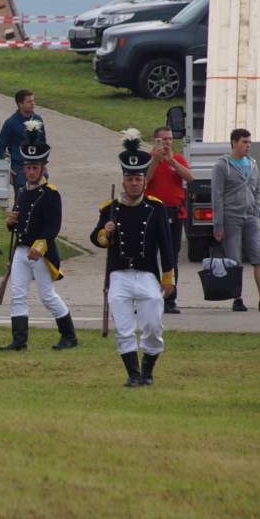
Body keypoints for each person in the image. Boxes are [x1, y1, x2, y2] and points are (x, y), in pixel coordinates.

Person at [90, 130, 174, 387]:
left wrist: (168, 277)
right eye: (130, 178)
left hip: (148, 274)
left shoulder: (156, 207)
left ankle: (148, 369)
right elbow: (96, 238)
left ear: (144, 181)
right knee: (124, 328)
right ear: (123, 180)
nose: (134, 183)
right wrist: (106, 232)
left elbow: (166, 245)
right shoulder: (110, 208)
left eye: (138, 178)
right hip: (119, 275)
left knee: (152, 326)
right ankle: (133, 374)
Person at [0, 123, 76, 352]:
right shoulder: (23, 193)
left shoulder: (51, 194)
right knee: (18, 294)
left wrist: (40, 246)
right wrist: (11, 222)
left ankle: (69, 335)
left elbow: (53, 227)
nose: (30, 172)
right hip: (21, 250)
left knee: (47, 295)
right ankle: (19, 339)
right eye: (28, 167)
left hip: (40, 253)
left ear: (43, 168)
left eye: (35, 167)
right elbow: (19, 226)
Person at [210, 128, 260, 312]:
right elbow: (217, 195)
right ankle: (237, 298)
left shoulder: (253, 163)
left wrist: (257, 208)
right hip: (231, 217)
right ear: (233, 143)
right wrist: (218, 225)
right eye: (244, 142)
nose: (248, 146)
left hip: (251, 217)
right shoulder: (222, 165)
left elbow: (257, 188)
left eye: (249, 142)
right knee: (234, 259)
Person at [144, 125, 193, 314]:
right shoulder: (147, 160)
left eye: (170, 139)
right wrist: (156, 160)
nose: (167, 142)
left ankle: (170, 298)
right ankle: (149, 296)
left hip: (174, 213)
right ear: (155, 141)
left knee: (171, 257)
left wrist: (172, 161)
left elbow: (189, 178)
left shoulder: (177, 159)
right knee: (148, 255)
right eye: (163, 139)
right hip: (152, 213)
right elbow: (143, 181)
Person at [0, 89, 47, 189]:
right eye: (29, 102)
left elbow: (43, 142)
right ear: (20, 104)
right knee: (21, 198)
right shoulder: (10, 123)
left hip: (37, 166)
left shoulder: (38, 119)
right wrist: (6, 166)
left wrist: (43, 163)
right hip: (19, 167)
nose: (33, 104)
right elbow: (0, 146)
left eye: (33, 101)